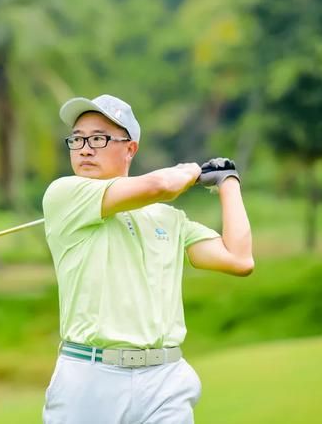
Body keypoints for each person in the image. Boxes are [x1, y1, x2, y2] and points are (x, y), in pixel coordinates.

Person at [41, 94, 254, 424]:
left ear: (130, 148)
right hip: (90, 377)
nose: (84, 148)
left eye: (98, 138)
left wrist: (228, 182)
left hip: (165, 379)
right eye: (78, 139)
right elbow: (159, 184)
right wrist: (190, 170)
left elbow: (239, 259)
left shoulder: (168, 218)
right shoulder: (64, 195)